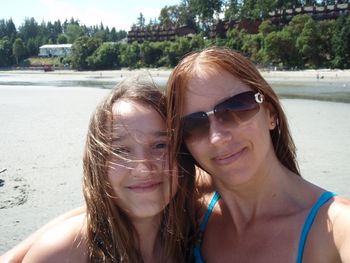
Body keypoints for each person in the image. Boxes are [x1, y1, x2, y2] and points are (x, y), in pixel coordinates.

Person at [166, 46, 350, 262]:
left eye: (236, 108)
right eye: (194, 124)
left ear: (270, 114)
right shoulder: (188, 212)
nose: (217, 137)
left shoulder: (337, 227)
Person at [1, 77, 196, 263]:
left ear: (181, 155)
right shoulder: (63, 253)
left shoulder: (194, 235)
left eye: (160, 145)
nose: (143, 169)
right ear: (97, 163)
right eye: (121, 150)